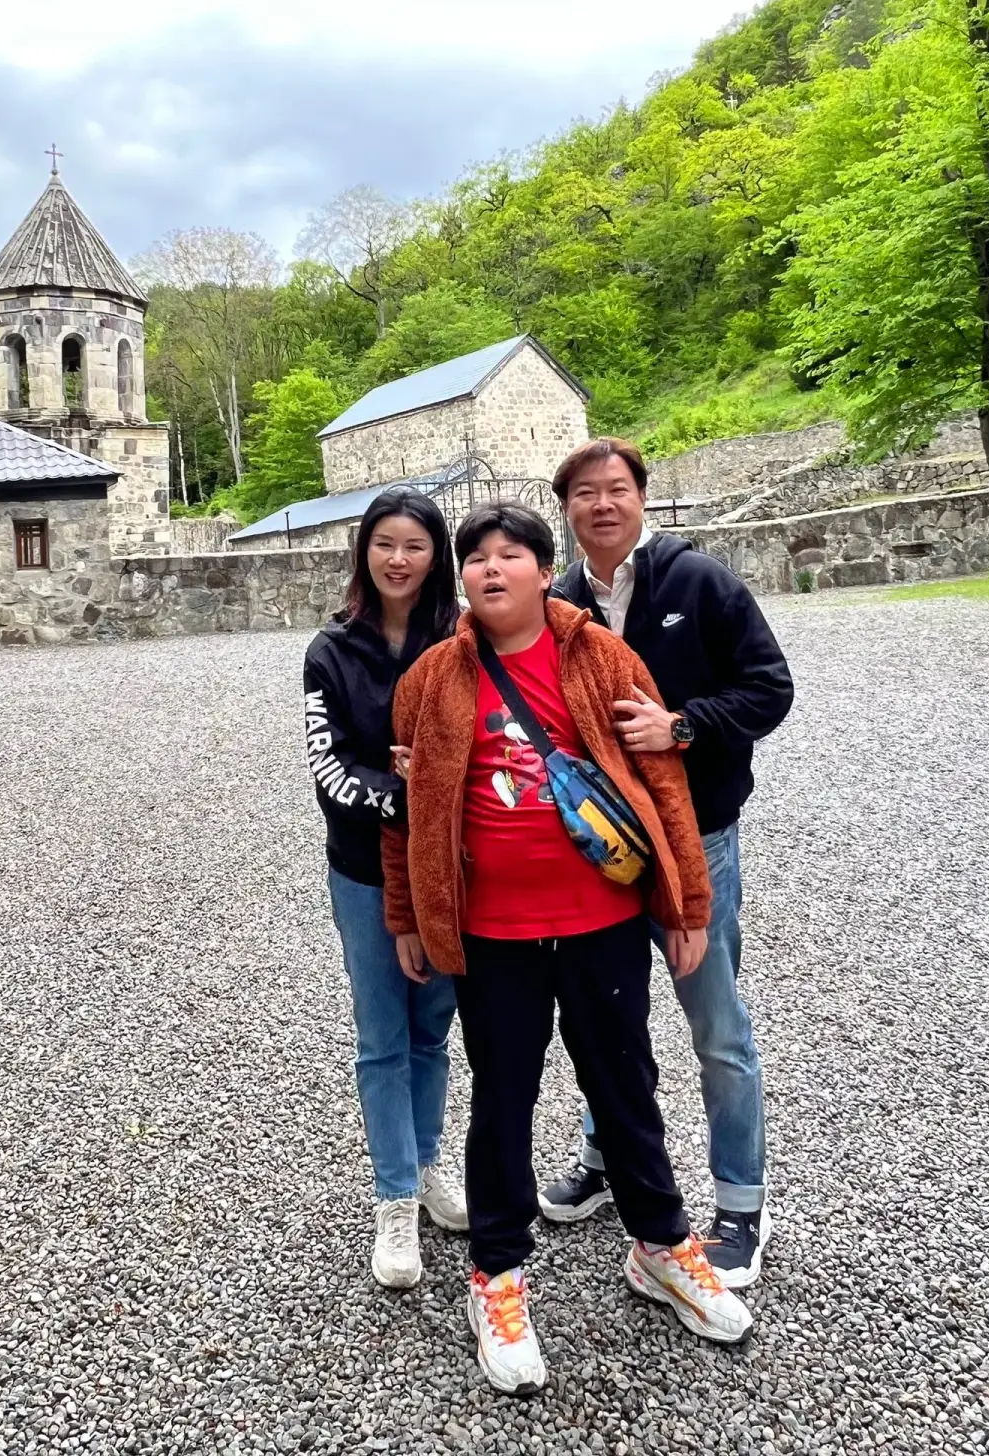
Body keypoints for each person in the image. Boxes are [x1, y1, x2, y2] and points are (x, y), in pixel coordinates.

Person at [384, 503, 753, 1396]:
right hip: (494, 936)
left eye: (511, 555)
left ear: (544, 572)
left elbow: (661, 780)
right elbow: (412, 816)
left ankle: (662, 1248)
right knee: (503, 1104)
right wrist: (407, 916)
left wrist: (686, 902)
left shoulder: (600, 656)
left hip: (603, 925)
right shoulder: (432, 678)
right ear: (461, 580)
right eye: (476, 559)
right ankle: (498, 1278)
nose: (491, 569)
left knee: (625, 1088)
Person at [538, 437, 794, 1290]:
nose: (602, 505)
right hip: (607, 855)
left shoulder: (699, 582)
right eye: (585, 494)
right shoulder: (561, 600)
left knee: (717, 1024)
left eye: (617, 490)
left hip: (700, 841)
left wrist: (681, 726)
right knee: (609, 1020)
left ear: (642, 499)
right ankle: (608, 1160)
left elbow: (770, 689)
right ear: (567, 509)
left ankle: (740, 1205)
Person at [303, 489, 469, 1290]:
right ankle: (395, 1197)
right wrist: (404, 795)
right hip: (366, 869)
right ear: (364, 551)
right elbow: (328, 767)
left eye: (415, 545)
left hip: (449, 869)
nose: (398, 559)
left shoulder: (462, 638)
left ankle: (428, 1162)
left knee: (434, 1027)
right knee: (382, 1035)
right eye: (384, 544)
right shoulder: (331, 650)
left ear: (436, 556)